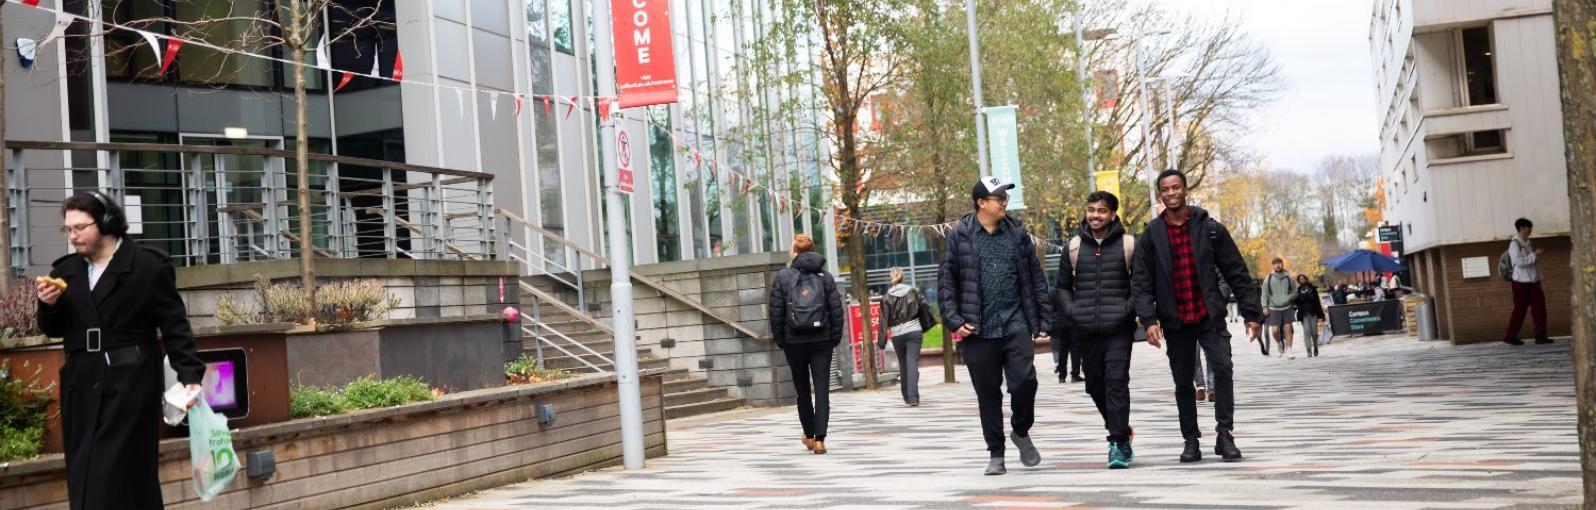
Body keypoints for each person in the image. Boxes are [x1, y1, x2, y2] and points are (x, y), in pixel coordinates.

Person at [35, 191, 206, 510]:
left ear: (107, 222)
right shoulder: (65, 272)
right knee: (84, 471)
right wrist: (47, 306)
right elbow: (53, 329)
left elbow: (174, 326)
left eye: (79, 228)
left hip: (130, 384)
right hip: (80, 383)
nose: (73, 236)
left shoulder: (147, 266)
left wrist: (190, 375)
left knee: (118, 476)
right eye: (68, 230)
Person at [1131, 169, 1262, 463]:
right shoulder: (1152, 234)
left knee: (1223, 369)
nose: (1171, 193)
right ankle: (1190, 439)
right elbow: (1141, 281)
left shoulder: (1210, 228)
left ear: (1185, 190)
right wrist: (1149, 320)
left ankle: (1224, 434)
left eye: (1176, 187)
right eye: (1165, 189)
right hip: (1175, 320)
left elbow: (1237, 272)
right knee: (1182, 382)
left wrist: (1251, 313)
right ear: (1160, 194)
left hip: (1209, 316)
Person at [939, 176, 1052, 475]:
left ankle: (1020, 430)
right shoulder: (960, 235)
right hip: (978, 328)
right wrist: (954, 320)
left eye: (1005, 196)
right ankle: (996, 453)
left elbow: (1035, 276)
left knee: (1025, 381)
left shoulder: (1017, 232)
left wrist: (1043, 317)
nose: (1004, 201)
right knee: (988, 394)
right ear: (981, 202)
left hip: (1015, 321)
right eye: (998, 197)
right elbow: (947, 283)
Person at [1055, 191, 1140, 469]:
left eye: (1101, 211)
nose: (1095, 215)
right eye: (1091, 209)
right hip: (1086, 329)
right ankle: (1122, 429)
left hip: (1119, 329)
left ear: (1113, 215)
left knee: (1116, 382)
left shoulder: (1129, 245)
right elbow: (1063, 288)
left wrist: (1126, 310)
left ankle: (1116, 443)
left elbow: (1140, 285)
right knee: (1094, 385)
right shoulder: (1074, 247)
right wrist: (1073, 311)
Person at [768, 234, 846, 454]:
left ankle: (809, 435)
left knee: (802, 390)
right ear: (813, 250)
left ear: (795, 252)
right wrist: (834, 338)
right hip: (822, 340)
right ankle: (820, 440)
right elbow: (836, 311)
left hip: (794, 341)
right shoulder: (826, 277)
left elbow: (776, 313)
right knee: (822, 390)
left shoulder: (782, 277)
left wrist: (781, 340)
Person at [876, 267, 935, 406]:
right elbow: (925, 307)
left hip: (897, 335)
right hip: (914, 331)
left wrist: (881, 342)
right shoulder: (914, 292)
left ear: (891, 278)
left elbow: (883, 321)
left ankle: (907, 396)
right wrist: (926, 324)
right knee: (912, 363)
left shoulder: (886, 298)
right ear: (903, 277)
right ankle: (914, 397)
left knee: (903, 365)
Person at [1503, 218, 1551, 345]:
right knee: (1519, 310)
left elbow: (1534, 264)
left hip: (1534, 282)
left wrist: (1539, 277)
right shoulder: (1514, 244)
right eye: (1527, 228)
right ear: (1521, 229)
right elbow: (1519, 262)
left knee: (1540, 309)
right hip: (1520, 282)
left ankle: (1540, 336)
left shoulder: (1531, 243)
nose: (1530, 230)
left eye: (1530, 228)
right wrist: (1535, 254)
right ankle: (1510, 336)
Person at [1260, 258, 1298, 359]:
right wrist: (1264, 306)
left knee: (1288, 328)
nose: (1278, 265)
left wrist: (1289, 297)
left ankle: (1289, 350)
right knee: (1275, 330)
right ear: (1273, 266)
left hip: (1287, 307)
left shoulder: (1289, 277)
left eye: (1279, 263)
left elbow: (1295, 291)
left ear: (1282, 264)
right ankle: (1279, 343)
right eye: (1276, 264)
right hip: (1273, 308)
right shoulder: (1268, 278)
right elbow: (1264, 294)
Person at [1295, 274, 1326, 357]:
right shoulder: (1297, 291)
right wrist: (1294, 306)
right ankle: (1308, 350)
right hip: (1303, 314)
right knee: (1307, 332)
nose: (1301, 280)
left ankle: (1315, 347)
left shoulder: (1313, 289)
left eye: (1303, 278)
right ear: (1298, 281)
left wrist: (1322, 315)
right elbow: (1295, 302)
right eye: (1300, 279)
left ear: (1306, 279)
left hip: (1313, 312)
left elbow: (1317, 302)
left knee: (1314, 332)